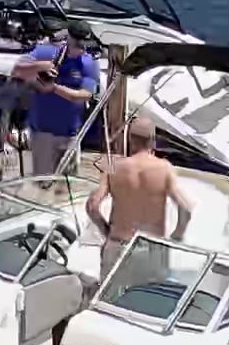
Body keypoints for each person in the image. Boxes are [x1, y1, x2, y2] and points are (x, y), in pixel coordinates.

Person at [87, 117, 195, 281]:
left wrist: (106, 230)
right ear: (153, 141)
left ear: (130, 139)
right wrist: (177, 236)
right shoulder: (164, 168)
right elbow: (185, 208)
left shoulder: (114, 168)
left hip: (119, 244)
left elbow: (92, 205)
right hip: (151, 248)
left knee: (110, 295)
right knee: (147, 295)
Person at [13, 23, 101, 178]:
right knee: (42, 182)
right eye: (78, 42)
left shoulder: (90, 63)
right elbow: (17, 70)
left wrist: (53, 88)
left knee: (67, 184)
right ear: (69, 37)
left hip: (70, 133)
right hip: (42, 131)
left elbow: (85, 95)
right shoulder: (47, 52)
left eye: (84, 43)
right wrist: (40, 66)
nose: (81, 47)